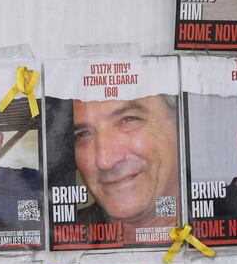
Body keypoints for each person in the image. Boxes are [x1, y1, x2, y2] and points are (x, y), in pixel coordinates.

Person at [71, 93, 182, 238]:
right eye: (83, 134)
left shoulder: (220, 232)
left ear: (180, 123)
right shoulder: (54, 244)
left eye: (128, 120)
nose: (104, 161)